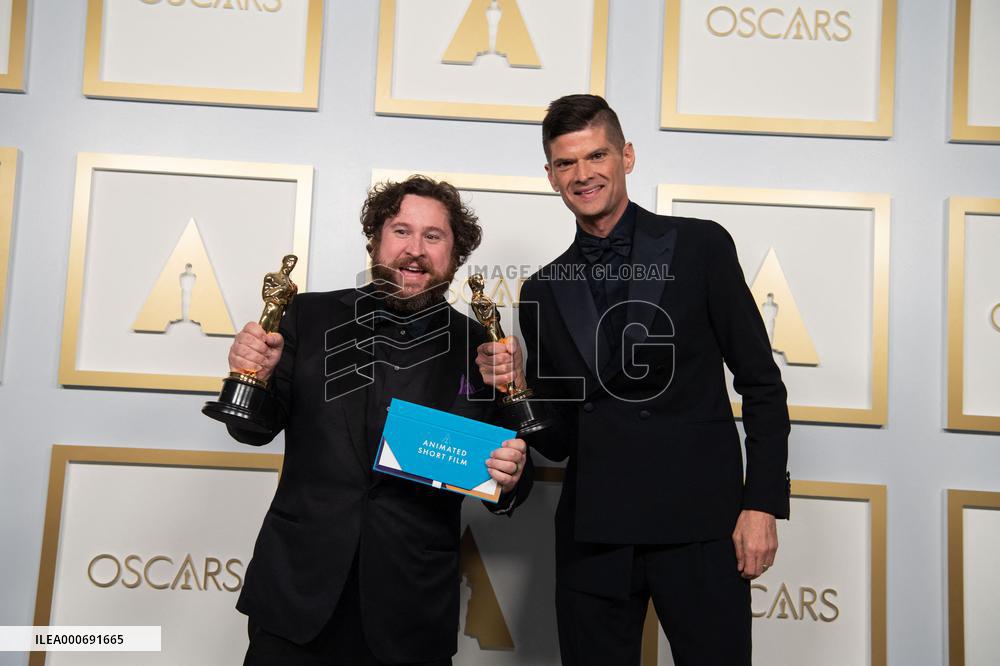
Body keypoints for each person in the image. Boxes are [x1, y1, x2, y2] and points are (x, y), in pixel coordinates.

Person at [476, 94, 790, 665]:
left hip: (701, 526)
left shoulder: (701, 245)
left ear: (627, 156)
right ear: (550, 175)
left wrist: (762, 504)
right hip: (595, 537)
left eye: (596, 156)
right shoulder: (542, 288)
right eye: (566, 163)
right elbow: (559, 441)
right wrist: (517, 385)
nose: (583, 174)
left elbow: (762, 383)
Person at [222, 175, 532, 666]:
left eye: (433, 236)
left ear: (455, 254)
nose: (415, 250)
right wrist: (251, 378)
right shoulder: (307, 316)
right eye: (401, 231)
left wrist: (510, 477)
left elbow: (509, 474)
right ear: (375, 241)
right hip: (296, 595)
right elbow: (252, 429)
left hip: (411, 609)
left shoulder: (482, 349)